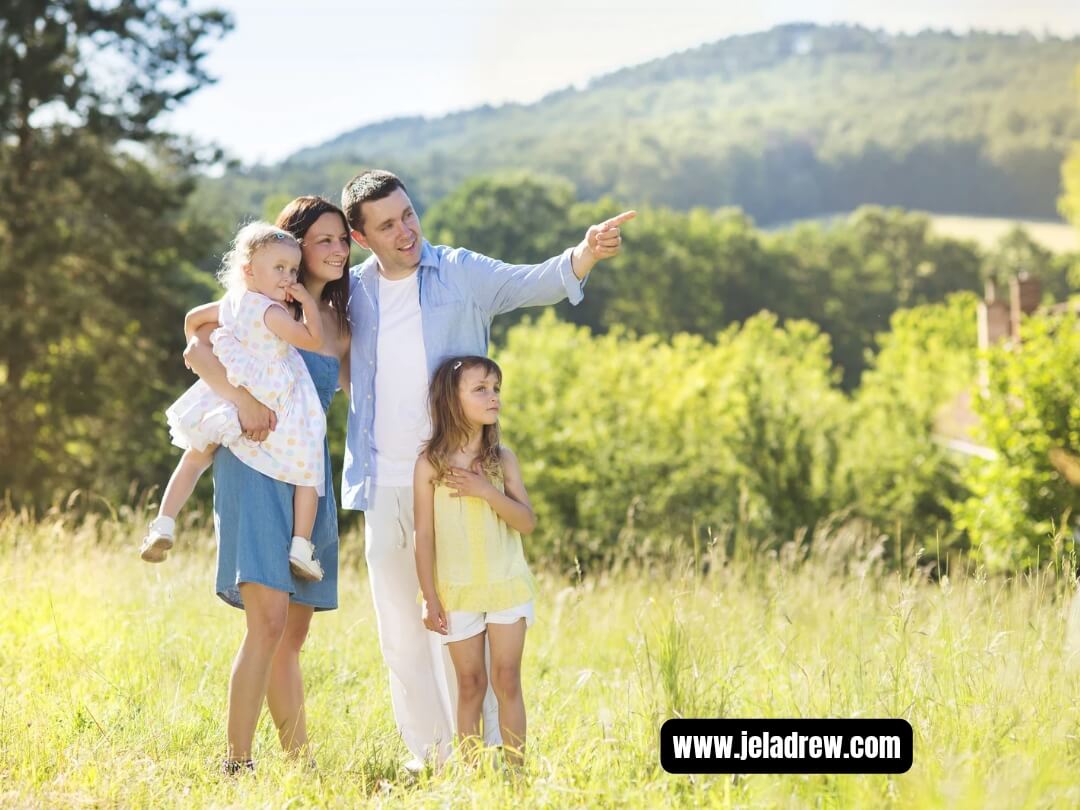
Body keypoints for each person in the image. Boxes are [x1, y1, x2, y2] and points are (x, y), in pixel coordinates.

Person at [339, 168, 634, 766]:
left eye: (409, 214)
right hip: (382, 480)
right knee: (402, 629)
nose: (406, 231)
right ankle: (431, 756)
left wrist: (585, 253)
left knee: (462, 625)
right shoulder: (352, 293)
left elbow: (533, 282)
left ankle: (489, 754)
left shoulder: (459, 270)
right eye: (388, 225)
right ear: (362, 237)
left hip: (456, 482)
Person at [182, 197, 353, 773]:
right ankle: (236, 762)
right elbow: (195, 339)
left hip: (308, 474)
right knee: (269, 622)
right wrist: (242, 399)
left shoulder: (338, 316)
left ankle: (300, 766)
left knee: (293, 635)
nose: (335, 249)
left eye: (342, 240)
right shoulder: (258, 303)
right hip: (255, 463)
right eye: (323, 239)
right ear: (294, 245)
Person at [142, 222, 326, 582]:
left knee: (195, 457)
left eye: (292, 270)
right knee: (309, 466)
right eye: (279, 269)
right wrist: (306, 303)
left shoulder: (232, 303)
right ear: (248, 271)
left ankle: (163, 523)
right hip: (270, 397)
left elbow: (192, 319)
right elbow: (312, 340)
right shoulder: (272, 312)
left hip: (229, 393)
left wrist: (193, 346)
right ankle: (301, 545)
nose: (288, 277)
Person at [414, 356, 537, 768]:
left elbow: (526, 522)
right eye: (481, 389)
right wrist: (430, 597)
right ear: (453, 399)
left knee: (506, 679)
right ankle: (472, 779)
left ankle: (518, 779)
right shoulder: (430, 464)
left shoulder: (503, 459)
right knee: (469, 684)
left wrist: (486, 490)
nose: (493, 396)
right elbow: (424, 534)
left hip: (506, 584)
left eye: (496, 388)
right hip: (457, 589)